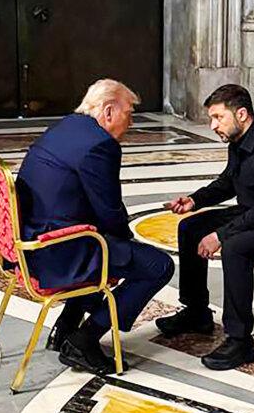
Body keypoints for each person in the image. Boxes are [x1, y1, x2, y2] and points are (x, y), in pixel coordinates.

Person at [16, 79, 174, 375]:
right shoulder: (100, 145)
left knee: (108, 246)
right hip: (59, 251)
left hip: (33, 242)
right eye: (129, 113)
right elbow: (110, 210)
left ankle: (64, 327)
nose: (131, 122)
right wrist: (129, 247)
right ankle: (84, 339)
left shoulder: (66, 127)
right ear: (109, 111)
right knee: (157, 265)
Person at [157, 84, 254, 370]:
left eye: (218, 117)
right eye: (212, 119)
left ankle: (240, 340)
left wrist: (220, 235)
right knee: (190, 228)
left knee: (236, 247)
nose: (213, 125)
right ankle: (196, 312)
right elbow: (228, 182)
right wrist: (195, 200)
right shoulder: (240, 140)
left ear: (241, 114)